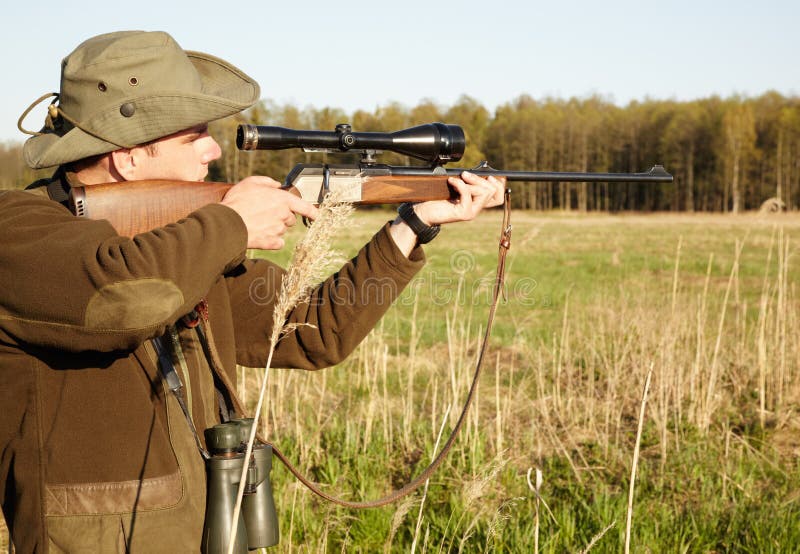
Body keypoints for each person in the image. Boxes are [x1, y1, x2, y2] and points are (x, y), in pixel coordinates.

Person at [0, 30, 504, 552]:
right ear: (128, 158)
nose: (214, 149)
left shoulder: (187, 245)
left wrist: (412, 224)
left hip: (210, 532)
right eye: (193, 135)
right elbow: (124, 298)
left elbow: (314, 330)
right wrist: (233, 223)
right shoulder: (19, 230)